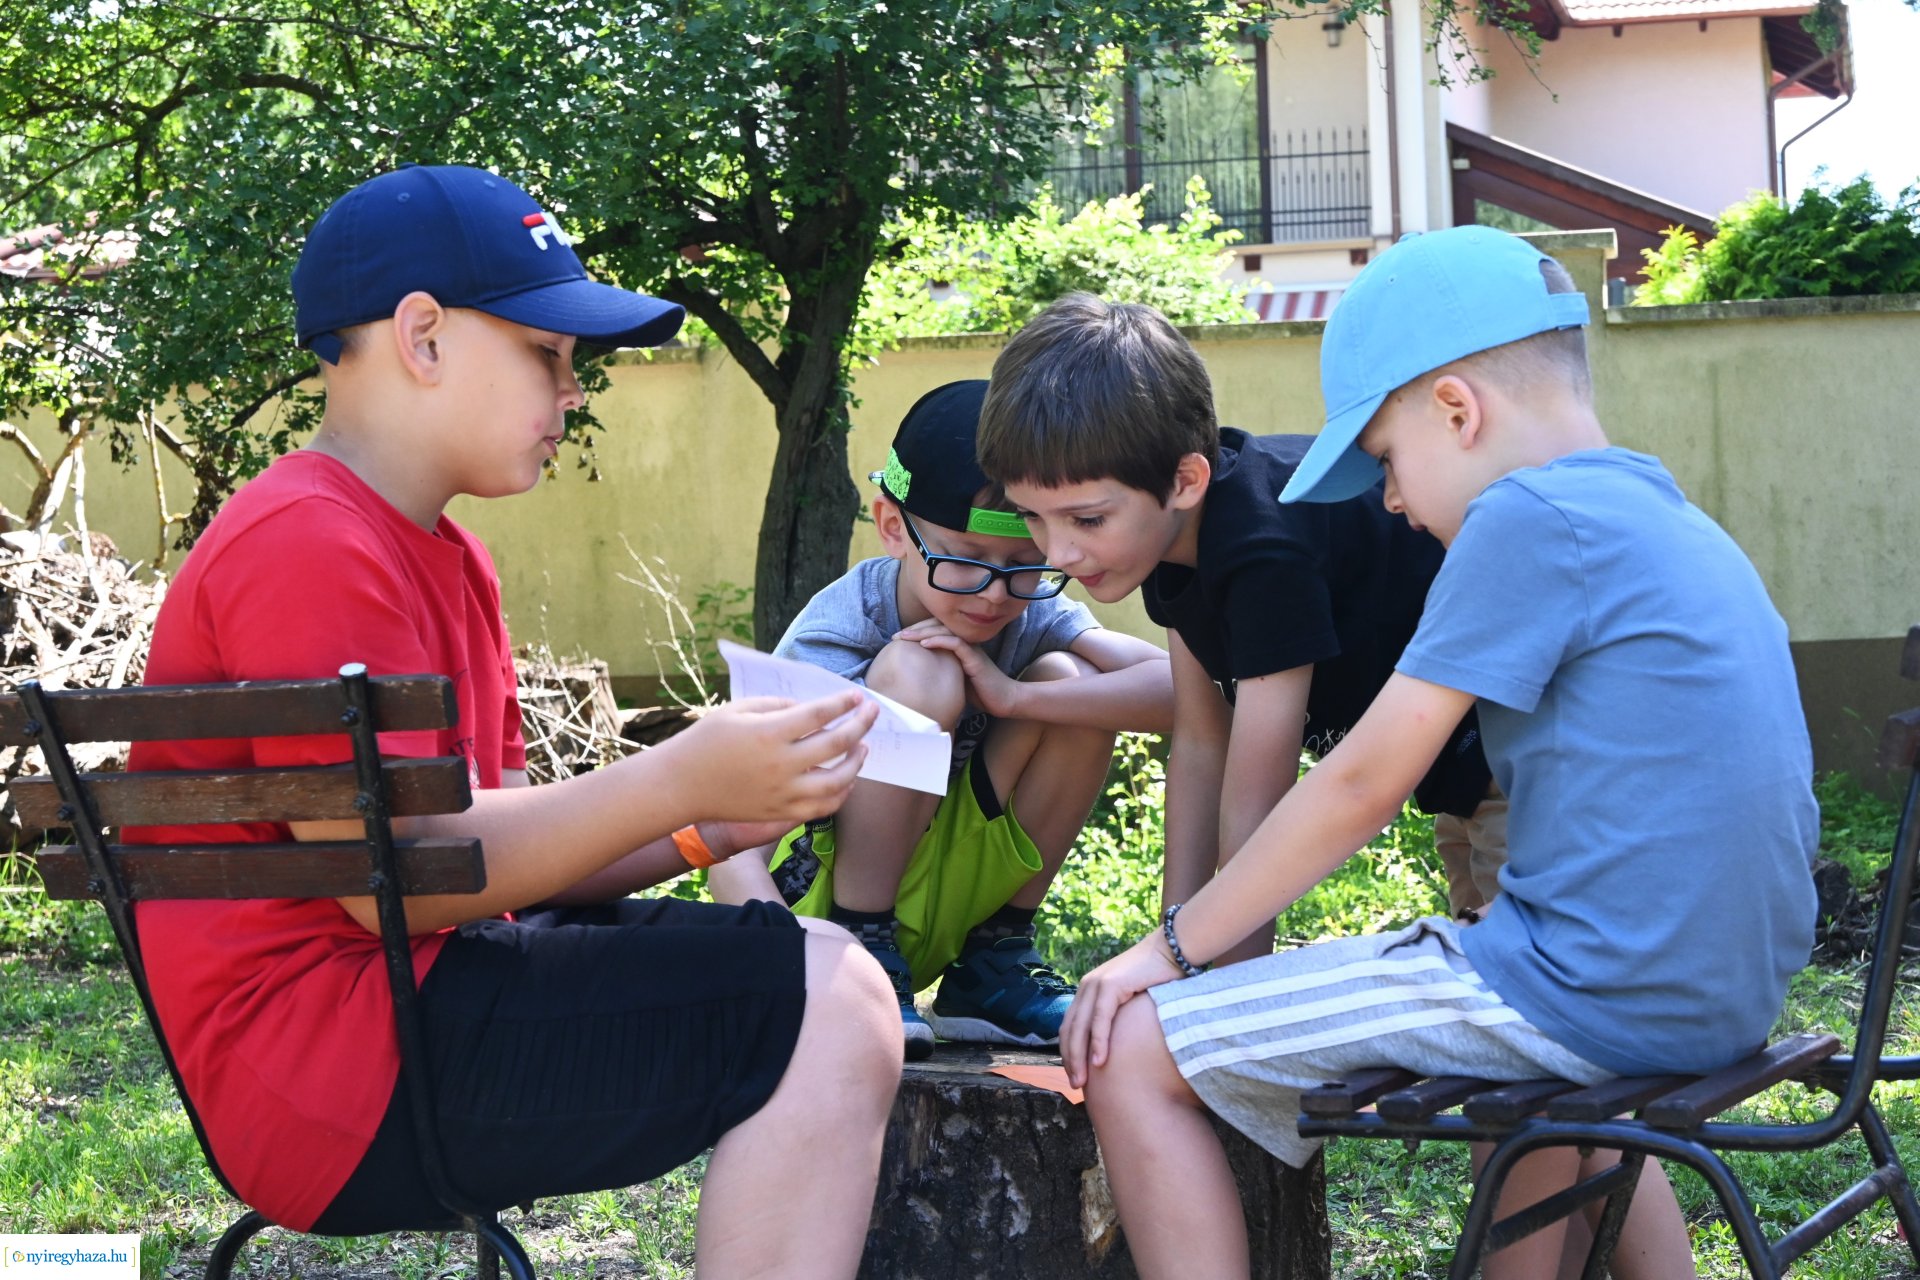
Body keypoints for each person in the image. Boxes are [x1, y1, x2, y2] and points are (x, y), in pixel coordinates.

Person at [124, 164, 900, 1279]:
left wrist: (717, 821)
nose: (573, 389)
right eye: (547, 350)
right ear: (424, 337)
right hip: (334, 1071)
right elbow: (396, 874)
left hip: (405, 1008)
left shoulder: (446, 556)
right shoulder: (305, 540)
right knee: (830, 1002)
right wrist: (682, 774)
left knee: (827, 968)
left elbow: (498, 862)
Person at [1048, 226, 1819, 1280]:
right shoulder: (1668, 514)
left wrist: (1168, 951)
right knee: (1541, 1126)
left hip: (1580, 990)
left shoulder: (1524, 518)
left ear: (1456, 411)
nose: (1395, 502)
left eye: (1384, 462)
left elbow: (1364, 777)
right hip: (1722, 989)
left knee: (1138, 1048)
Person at [975, 292, 1501, 971]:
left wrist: (1211, 983)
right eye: (1033, 519)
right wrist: (1174, 947)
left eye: (1087, 520)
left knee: (1525, 983)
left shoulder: (1261, 546)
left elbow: (1259, 792)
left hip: (1521, 751)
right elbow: (1201, 742)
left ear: (1185, 481)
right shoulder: (1170, 548)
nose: (1058, 553)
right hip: (1454, 773)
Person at [710, 379, 1172, 1059]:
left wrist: (1013, 698)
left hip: (942, 896)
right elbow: (731, 836)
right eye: (965, 561)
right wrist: (780, 967)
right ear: (895, 529)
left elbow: (1180, 691)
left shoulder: (1029, 607)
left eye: (1025, 565)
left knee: (1073, 684)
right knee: (920, 671)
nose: (994, 594)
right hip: (816, 916)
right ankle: (864, 946)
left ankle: (992, 960)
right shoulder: (837, 635)